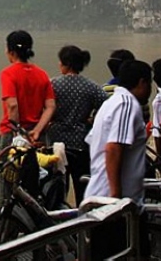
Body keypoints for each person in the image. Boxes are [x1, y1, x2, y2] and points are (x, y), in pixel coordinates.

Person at [83, 60, 152, 258]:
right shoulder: (126, 104)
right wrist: (116, 197)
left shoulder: (110, 103)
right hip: (114, 205)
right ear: (141, 83)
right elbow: (113, 147)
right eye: (149, 84)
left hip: (113, 201)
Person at [0, 30, 56, 202]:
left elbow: (12, 105)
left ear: (11, 51)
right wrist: (37, 130)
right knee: (35, 180)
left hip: (12, 135)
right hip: (39, 137)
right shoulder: (42, 74)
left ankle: (5, 224)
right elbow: (50, 107)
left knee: (6, 181)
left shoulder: (8, 73)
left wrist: (18, 134)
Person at [49, 45, 108, 205]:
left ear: (66, 63)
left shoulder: (52, 85)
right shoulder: (91, 87)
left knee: (58, 187)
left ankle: (59, 221)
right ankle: (84, 221)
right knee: (82, 186)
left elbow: (44, 107)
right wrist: (92, 120)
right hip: (81, 142)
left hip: (56, 144)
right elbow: (107, 105)